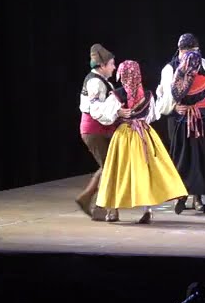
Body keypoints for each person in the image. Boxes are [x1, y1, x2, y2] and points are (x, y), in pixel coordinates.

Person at [92, 61, 188, 223]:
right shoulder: (148, 95)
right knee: (146, 171)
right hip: (144, 133)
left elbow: (106, 117)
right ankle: (148, 210)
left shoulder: (117, 95)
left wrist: (116, 112)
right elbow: (153, 116)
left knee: (117, 172)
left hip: (124, 136)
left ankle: (113, 211)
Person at [155, 34, 205, 214]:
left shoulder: (200, 64)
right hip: (183, 120)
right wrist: (175, 108)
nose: (194, 55)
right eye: (193, 51)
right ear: (183, 50)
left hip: (195, 118)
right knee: (190, 158)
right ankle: (188, 196)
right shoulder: (170, 69)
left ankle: (194, 197)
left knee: (193, 158)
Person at [76, 44, 117, 220]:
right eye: (112, 64)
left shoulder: (102, 81)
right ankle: (103, 207)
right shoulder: (94, 82)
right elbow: (96, 109)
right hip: (95, 130)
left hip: (101, 129)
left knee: (108, 166)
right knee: (110, 168)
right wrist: (117, 113)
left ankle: (92, 202)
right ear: (103, 65)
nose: (114, 67)